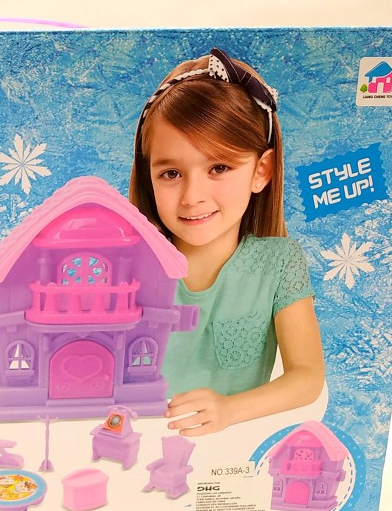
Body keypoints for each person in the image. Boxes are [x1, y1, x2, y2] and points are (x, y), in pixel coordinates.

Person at [129, 49, 324, 437]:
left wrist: (229, 410)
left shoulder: (278, 264)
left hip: (232, 452)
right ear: (149, 176)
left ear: (261, 171)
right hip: (138, 444)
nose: (192, 197)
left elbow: (307, 377)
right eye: (171, 173)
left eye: (218, 167)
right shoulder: (130, 264)